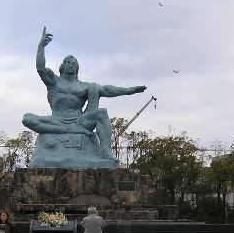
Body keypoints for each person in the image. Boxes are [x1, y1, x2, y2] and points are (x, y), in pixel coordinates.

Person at [22, 27, 147, 163]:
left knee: (102, 113)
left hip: (79, 121)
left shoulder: (85, 86)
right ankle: (66, 130)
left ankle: (105, 151)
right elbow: (40, 68)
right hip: (56, 119)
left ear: (77, 68)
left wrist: (129, 90)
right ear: (62, 67)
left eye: (74, 63)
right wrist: (41, 46)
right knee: (27, 118)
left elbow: (107, 90)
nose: (71, 65)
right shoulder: (54, 81)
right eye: (68, 63)